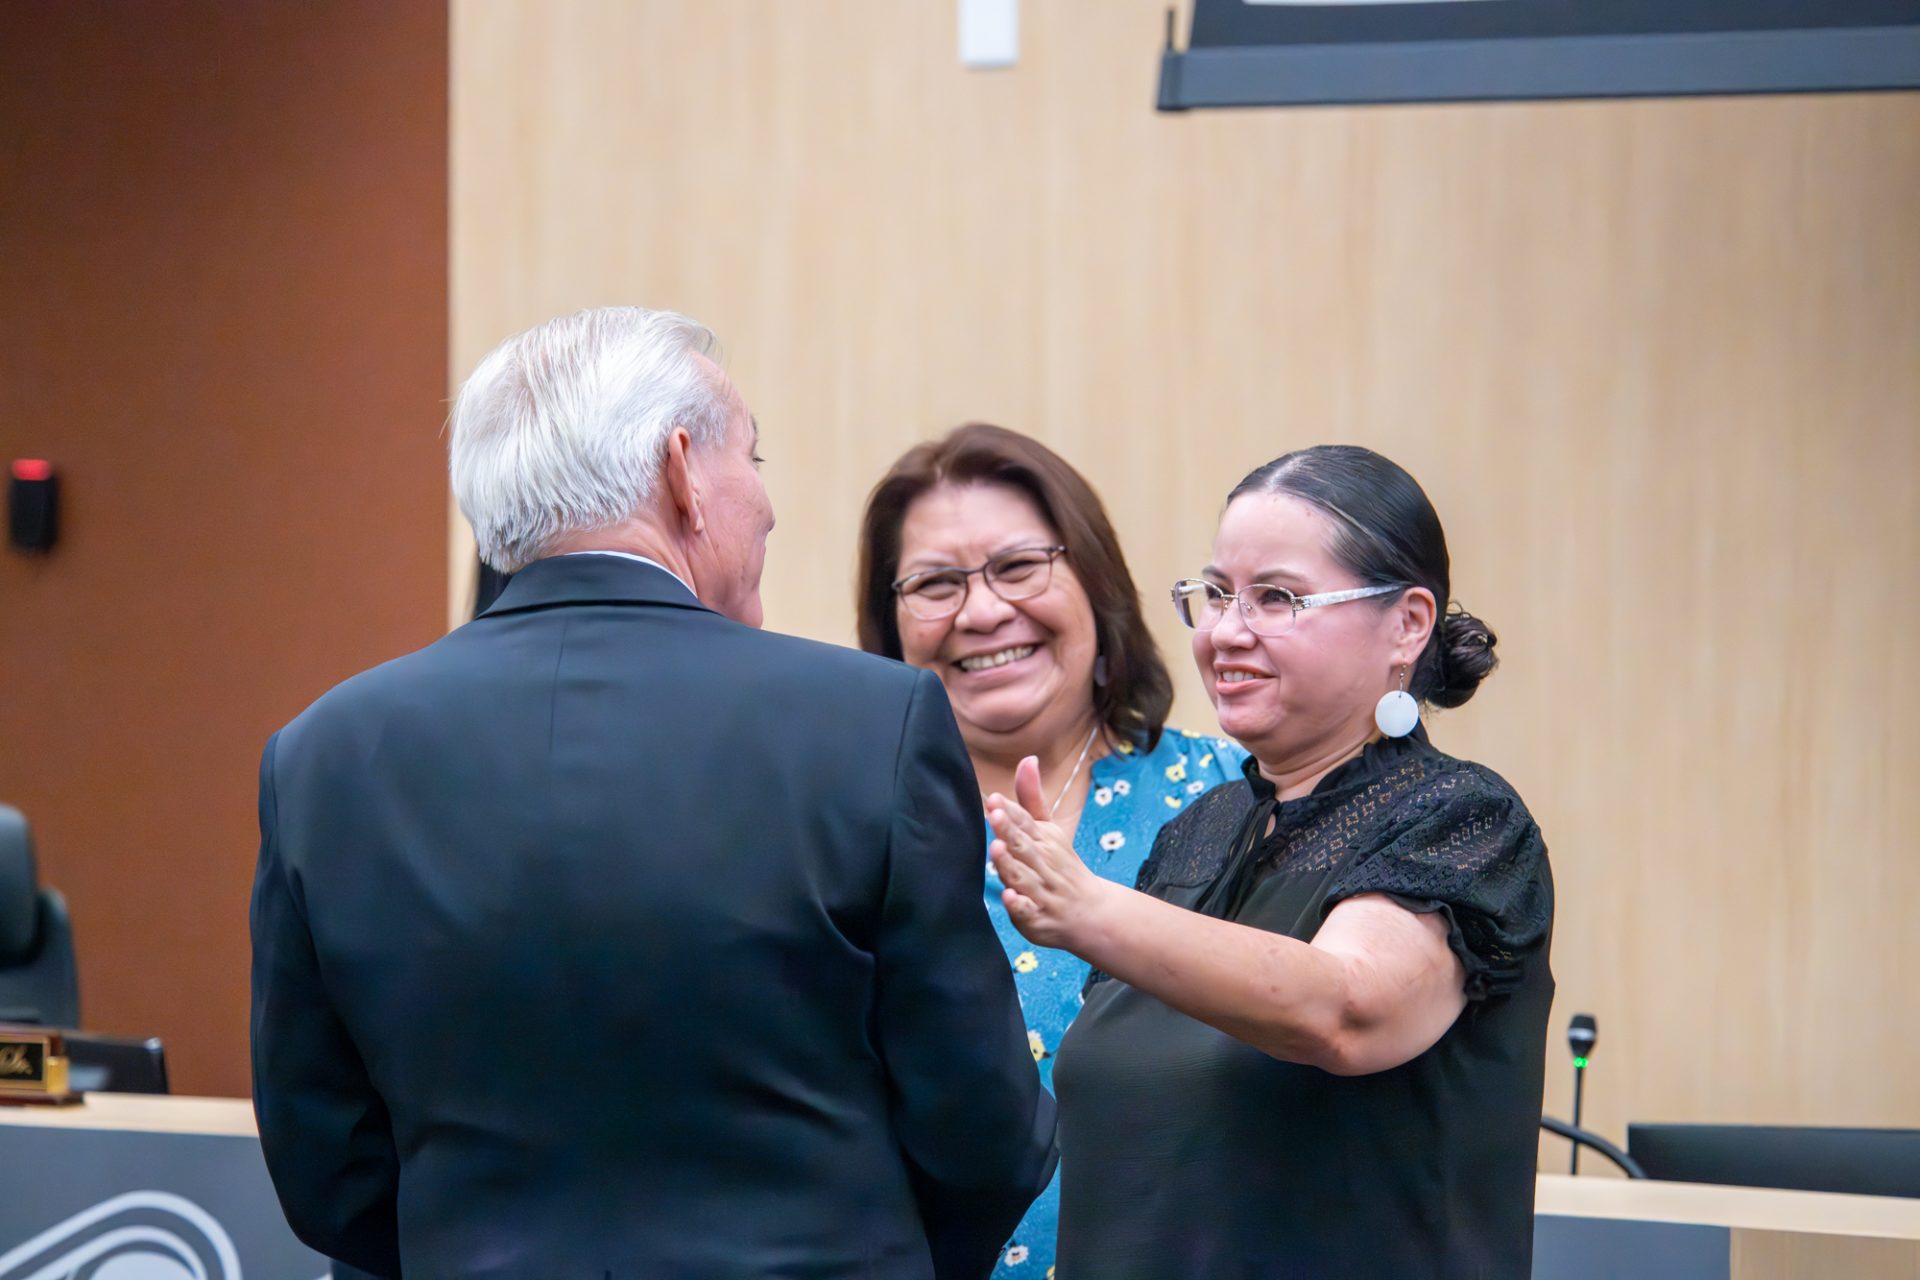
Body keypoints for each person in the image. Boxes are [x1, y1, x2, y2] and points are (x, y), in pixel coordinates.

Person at [250, 308, 1056, 1280]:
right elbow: (982, 1128)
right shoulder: (866, 725)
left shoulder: (324, 754)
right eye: (754, 457)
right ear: (681, 470)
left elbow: (322, 1161)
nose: (764, 501)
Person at [986, 445, 1554, 1279]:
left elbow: (1348, 1009)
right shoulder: (1200, 833)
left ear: (1408, 622)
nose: (1224, 632)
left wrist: (1089, 909)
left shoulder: (1458, 817)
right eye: (1215, 595)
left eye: (1277, 598)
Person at [856, 423, 1247, 1277]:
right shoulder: (844, 829)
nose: (983, 611)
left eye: (1018, 566)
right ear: (890, 627)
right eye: (934, 583)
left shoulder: (1232, 798)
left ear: (1095, 583)